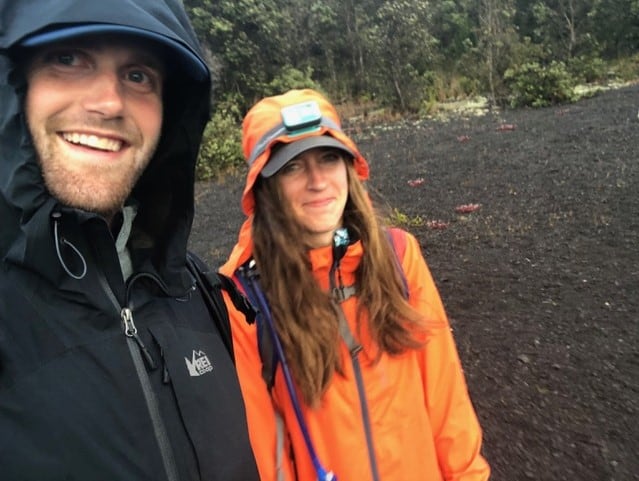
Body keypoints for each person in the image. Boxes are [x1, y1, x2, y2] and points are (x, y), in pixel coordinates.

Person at [0, 1, 260, 479]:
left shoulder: (196, 292)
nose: (109, 102)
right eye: (69, 58)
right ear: (15, 84)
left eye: (138, 76)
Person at [220, 88, 491, 481]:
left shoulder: (398, 255)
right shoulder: (245, 299)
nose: (318, 181)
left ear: (348, 167)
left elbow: (446, 399)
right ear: (265, 187)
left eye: (329, 158)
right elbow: (268, 455)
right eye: (293, 167)